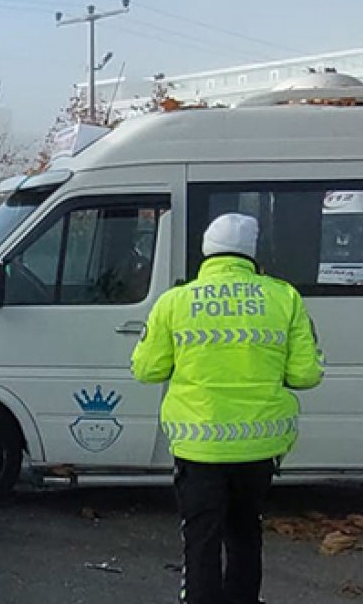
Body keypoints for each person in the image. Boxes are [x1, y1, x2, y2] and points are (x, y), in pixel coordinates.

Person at [131, 213, 325, 604]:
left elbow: (147, 370)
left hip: (198, 445)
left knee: (201, 538)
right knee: (245, 533)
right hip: (259, 445)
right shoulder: (283, 297)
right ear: (252, 255)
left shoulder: (176, 301)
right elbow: (306, 375)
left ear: (206, 252)